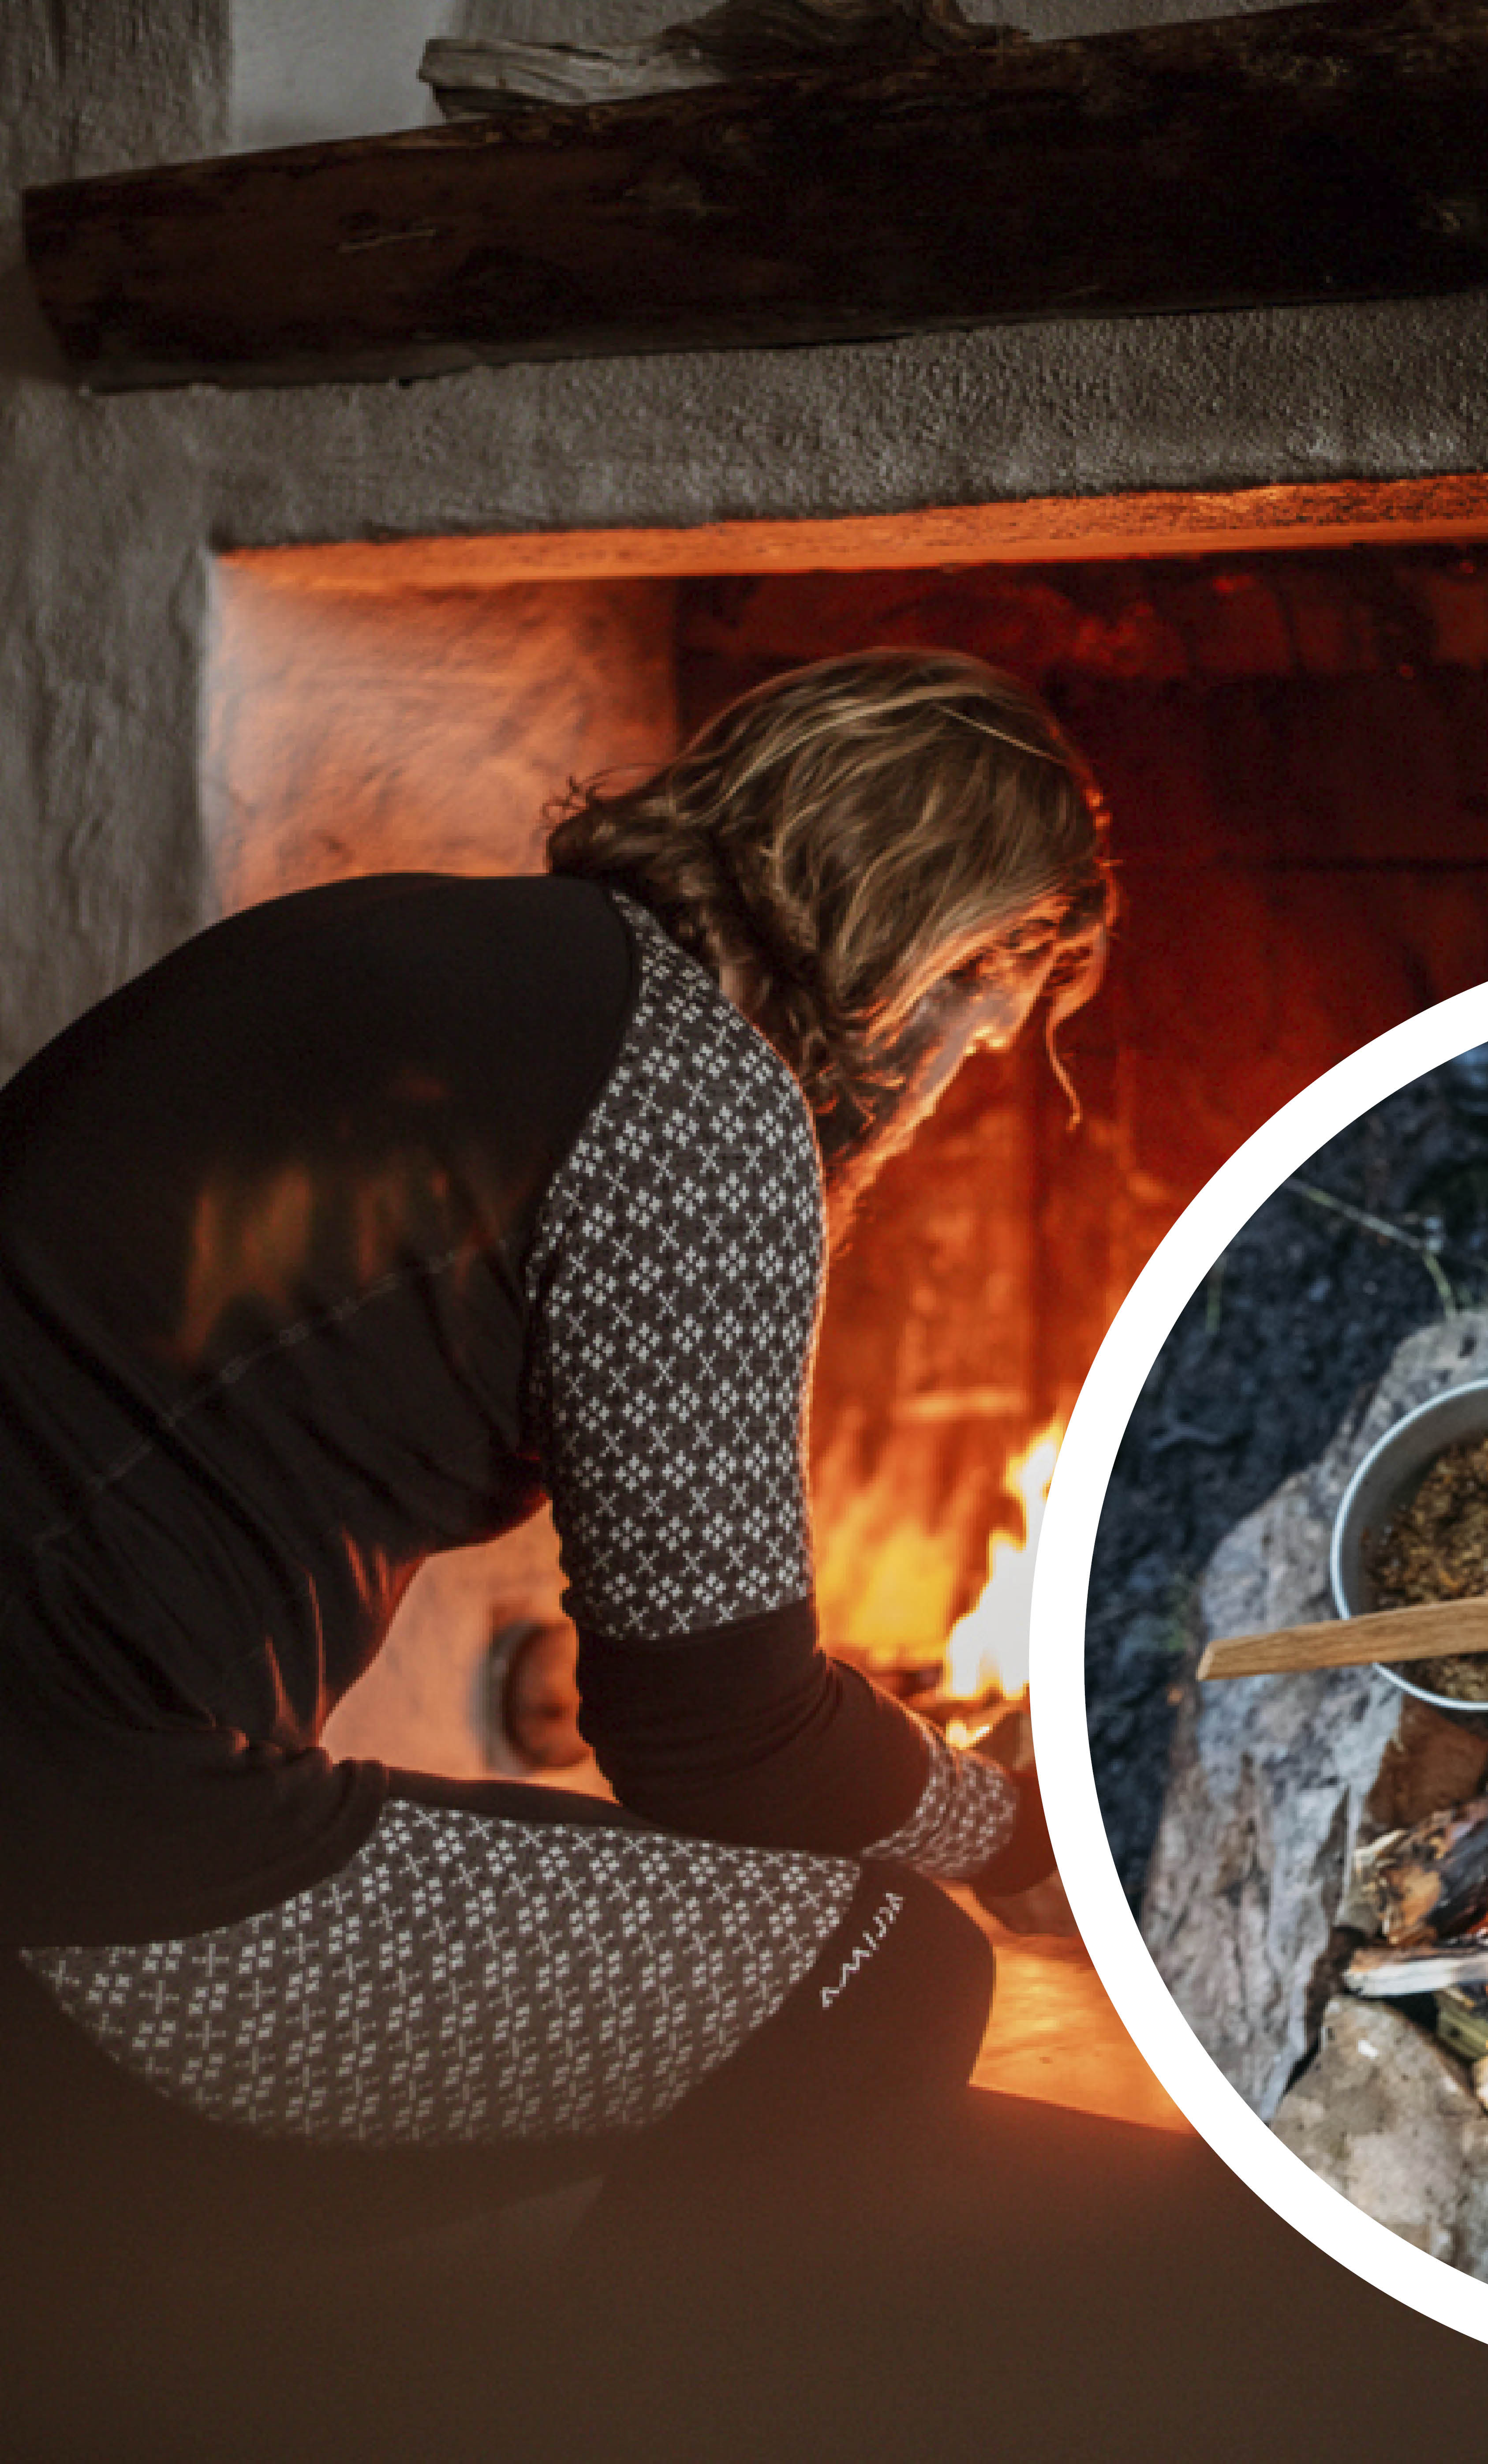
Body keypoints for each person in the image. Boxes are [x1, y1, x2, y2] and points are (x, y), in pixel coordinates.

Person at [0, 648, 1107, 2245]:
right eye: (978, 1036)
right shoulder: (694, 1098)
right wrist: (1007, 1830)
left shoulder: (421, 937)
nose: (939, 1096)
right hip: (85, 1848)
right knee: (886, 1965)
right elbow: (718, 1736)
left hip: (57, 1759)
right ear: (934, 960)